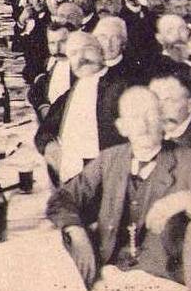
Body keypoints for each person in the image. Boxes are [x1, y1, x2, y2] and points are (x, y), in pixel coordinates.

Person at [45, 86, 191, 288]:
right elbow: (62, 198)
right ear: (122, 127)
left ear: (163, 120)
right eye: (134, 117)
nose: (143, 125)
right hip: (108, 274)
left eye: (151, 114)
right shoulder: (110, 159)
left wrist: (188, 200)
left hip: (164, 283)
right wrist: (76, 232)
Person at [35, 32, 126, 185]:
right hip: (73, 176)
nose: (81, 57)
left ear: (100, 51)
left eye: (87, 48)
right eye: (74, 53)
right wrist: (51, 148)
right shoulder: (73, 90)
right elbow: (44, 131)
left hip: (108, 177)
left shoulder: (120, 87)